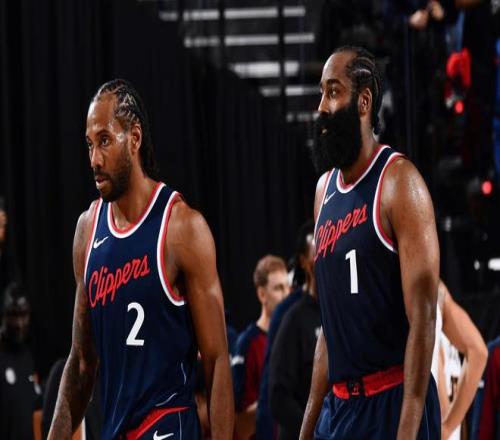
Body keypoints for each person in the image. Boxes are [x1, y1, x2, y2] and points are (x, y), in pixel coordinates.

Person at [48, 79, 233, 439]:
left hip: (169, 428)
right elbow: (83, 363)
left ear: (134, 138)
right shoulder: (88, 231)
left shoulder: (182, 227)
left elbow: (217, 360)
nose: (94, 159)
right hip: (116, 429)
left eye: (105, 140)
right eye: (89, 144)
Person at [300, 46, 441, 439]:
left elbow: (424, 319)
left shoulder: (400, 183)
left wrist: (407, 429)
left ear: (363, 102)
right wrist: (308, 424)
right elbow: (330, 328)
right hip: (340, 409)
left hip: (392, 400)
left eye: (333, 92)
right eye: (321, 93)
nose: (322, 107)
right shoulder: (324, 191)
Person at [256, 220, 315, 440]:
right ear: (304, 262)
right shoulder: (289, 314)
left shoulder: (341, 306)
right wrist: (314, 432)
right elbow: (273, 393)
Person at [268, 229, 321, 439]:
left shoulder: (342, 312)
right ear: (304, 263)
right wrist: (313, 432)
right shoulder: (292, 318)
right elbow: (278, 396)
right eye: (316, 252)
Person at [232, 255, 289, 439]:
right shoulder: (247, 343)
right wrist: (277, 400)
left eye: (288, 287)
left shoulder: (293, 336)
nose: (286, 295)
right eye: (278, 288)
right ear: (262, 294)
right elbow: (240, 423)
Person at [431, 280, 487, 439]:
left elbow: (440, 408)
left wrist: (446, 427)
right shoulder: (438, 291)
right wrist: (449, 426)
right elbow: (479, 352)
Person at [0, 282, 41, 440]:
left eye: (23, 315)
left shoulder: (28, 357)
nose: (18, 323)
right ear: (4, 314)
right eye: (13, 315)